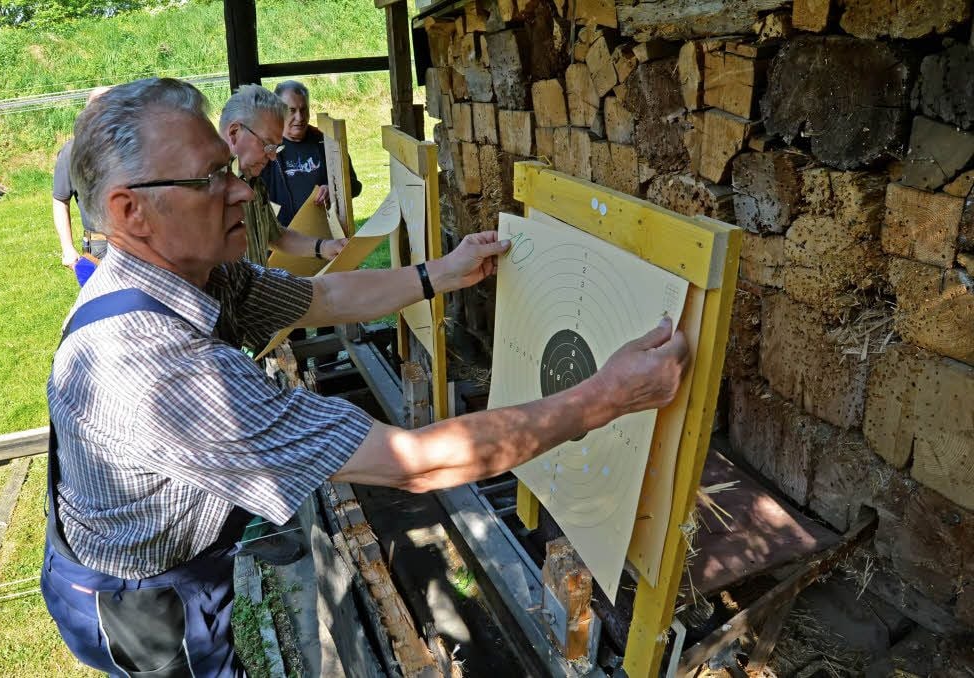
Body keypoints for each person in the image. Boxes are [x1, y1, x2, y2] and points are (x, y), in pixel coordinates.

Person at [42, 78, 689, 677]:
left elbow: (319, 300)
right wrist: (607, 396)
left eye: (229, 167)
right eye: (213, 178)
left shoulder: (187, 270)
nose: (243, 187)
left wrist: (439, 274)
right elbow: (413, 463)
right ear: (132, 212)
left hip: (163, 554)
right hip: (138, 600)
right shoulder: (165, 372)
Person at [219, 84, 346, 267]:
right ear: (234, 133)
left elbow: (275, 234)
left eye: (277, 147)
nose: (272, 157)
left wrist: (323, 247)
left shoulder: (254, 182)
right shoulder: (208, 189)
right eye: (267, 144)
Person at [262, 80, 362, 227]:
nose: (300, 117)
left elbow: (354, 186)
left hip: (325, 240)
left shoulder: (326, 142)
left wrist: (333, 189)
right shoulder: (265, 149)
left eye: (303, 110)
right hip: (283, 239)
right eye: (292, 110)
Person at [52, 86, 111, 268]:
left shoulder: (135, 146)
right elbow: (61, 201)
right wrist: (67, 248)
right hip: (100, 246)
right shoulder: (72, 152)